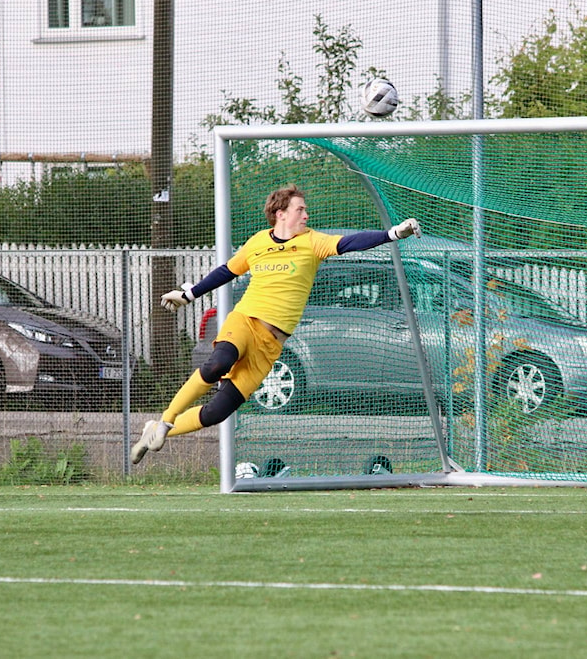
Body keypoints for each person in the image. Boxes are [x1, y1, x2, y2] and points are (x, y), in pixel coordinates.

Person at [131, 185, 421, 464]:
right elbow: (226, 271)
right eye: (300, 209)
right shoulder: (258, 242)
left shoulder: (311, 241)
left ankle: (155, 430)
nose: (306, 215)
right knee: (218, 363)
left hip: (270, 346)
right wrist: (188, 294)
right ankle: (167, 420)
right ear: (280, 213)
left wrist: (393, 233)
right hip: (245, 321)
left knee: (218, 411)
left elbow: (349, 243)